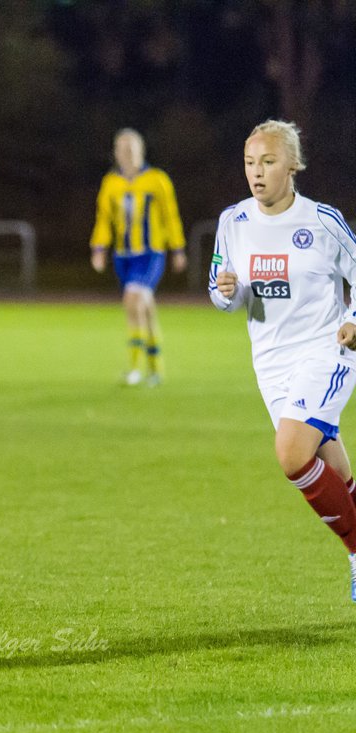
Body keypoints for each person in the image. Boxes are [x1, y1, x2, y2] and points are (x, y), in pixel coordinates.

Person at [210, 119, 356, 601]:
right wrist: (226, 292)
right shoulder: (234, 222)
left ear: (292, 166)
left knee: (292, 453)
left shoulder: (321, 221)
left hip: (326, 350)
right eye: (250, 163)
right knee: (329, 463)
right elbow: (221, 292)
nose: (257, 172)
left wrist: (354, 319)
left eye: (268, 162)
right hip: (271, 362)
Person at [90, 128, 187, 386]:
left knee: (132, 299)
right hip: (124, 256)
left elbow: (171, 216)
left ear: (141, 151)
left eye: (131, 149)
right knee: (143, 308)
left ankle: (134, 368)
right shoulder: (111, 183)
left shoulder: (157, 180)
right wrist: (99, 249)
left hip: (151, 253)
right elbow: (103, 219)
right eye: (122, 150)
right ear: (116, 153)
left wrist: (178, 249)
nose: (127, 154)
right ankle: (155, 368)